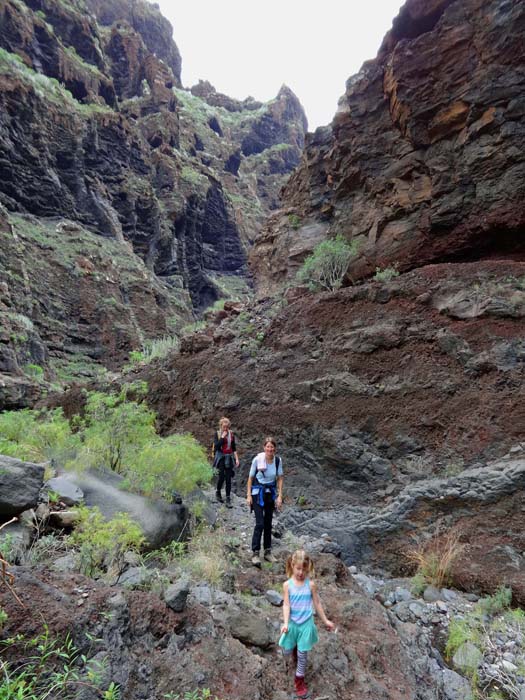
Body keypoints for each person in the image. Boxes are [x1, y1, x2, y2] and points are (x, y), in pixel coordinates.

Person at [279, 549, 335, 698]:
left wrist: (325, 620)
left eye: (304, 569)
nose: (301, 573)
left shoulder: (311, 585)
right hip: (292, 622)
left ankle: (299, 680)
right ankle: (294, 650)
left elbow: (317, 602)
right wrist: (285, 623)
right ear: (292, 565)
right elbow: (286, 605)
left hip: (306, 624)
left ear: (308, 567)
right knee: (286, 650)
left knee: (303, 654)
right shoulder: (287, 585)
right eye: (298, 568)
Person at [246, 436, 283, 565]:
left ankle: (267, 551)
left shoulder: (278, 461)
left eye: (272, 447)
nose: (270, 449)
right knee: (260, 523)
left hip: (270, 494)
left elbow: (279, 478)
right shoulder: (257, 460)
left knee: (268, 523)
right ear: (264, 448)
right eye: (268, 447)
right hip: (257, 493)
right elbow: (250, 478)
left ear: (275, 449)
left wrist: (279, 496)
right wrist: (248, 495)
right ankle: (255, 553)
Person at [213, 417, 239, 508]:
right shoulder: (217, 434)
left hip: (228, 456)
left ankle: (228, 498)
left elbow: (233, 447)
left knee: (228, 478)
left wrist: (236, 459)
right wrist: (222, 437)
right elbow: (216, 447)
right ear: (221, 426)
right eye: (224, 427)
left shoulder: (231, 434)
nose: (225, 429)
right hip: (221, 457)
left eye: (227, 427)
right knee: (221, 477)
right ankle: (218, 491)